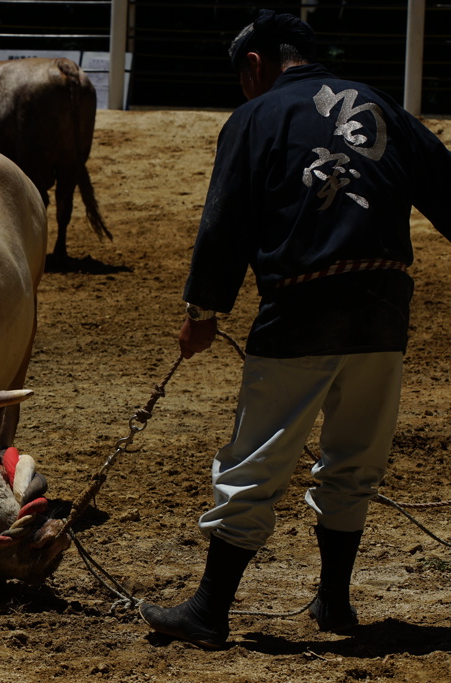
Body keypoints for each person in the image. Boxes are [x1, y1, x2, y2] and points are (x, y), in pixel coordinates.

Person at [140, 9, 451, 650]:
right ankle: (334, 602)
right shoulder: (381, 106)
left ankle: (209, 609)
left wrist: (203, 312)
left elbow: (224, 221)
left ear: (255, 65)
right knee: (355, 457)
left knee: (256, 457)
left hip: (302, 302)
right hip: (385, 301)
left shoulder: (254, 117)